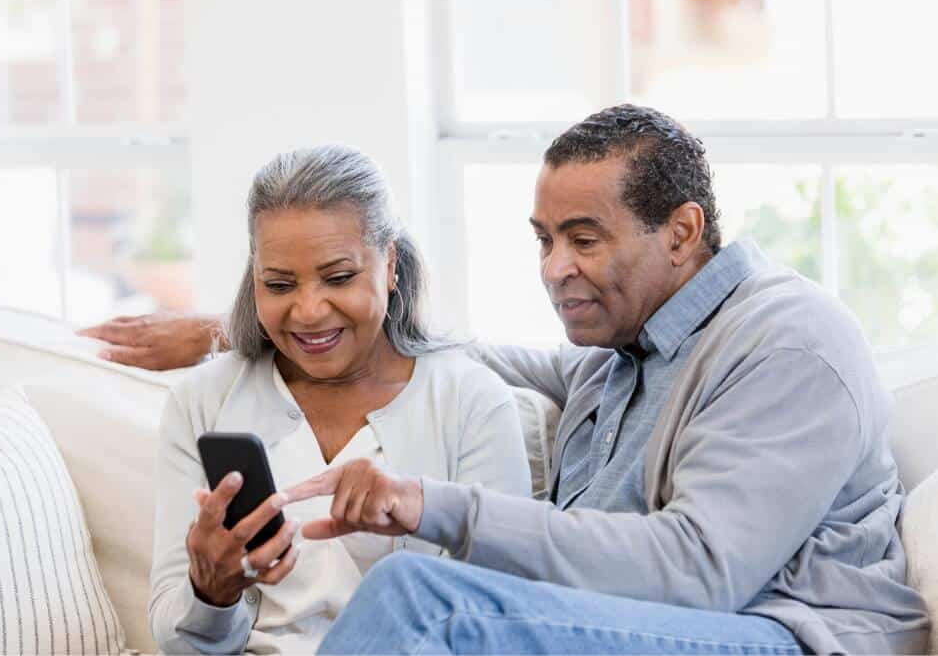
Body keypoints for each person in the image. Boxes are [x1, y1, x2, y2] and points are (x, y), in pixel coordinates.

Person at [83, 106, 930, 654]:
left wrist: (425, 503)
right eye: (543, 238)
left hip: (778, 632)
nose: (555, 268)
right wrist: (241, 328)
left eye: (585, 238)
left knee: (427, 600)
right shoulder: (624, 355)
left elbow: (700, 567)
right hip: (654, 625)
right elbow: (443, 349)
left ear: (682, 232)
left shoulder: (789, 342)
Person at [146, 145, 531, 654]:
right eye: (279, 284)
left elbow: (504, 620)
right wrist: (212, 593)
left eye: (339, 277)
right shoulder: (201, 401)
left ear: (390, 263)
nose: (308, 312)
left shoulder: (471, 402)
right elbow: (177, 642)